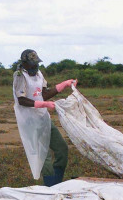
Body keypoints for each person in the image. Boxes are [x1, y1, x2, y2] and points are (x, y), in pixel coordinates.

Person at [12, 49, 76, 186]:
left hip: (43, 118)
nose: (35, 67)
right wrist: (43, 104)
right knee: (44, 155)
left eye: (36, 64)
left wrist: (63, 85)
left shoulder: (39, 74)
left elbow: (44, 94)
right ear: (24, 63)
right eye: (32, 64)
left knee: (62, 148)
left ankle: (56, 183)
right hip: (30, 121)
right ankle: (49, 187)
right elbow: (21, 100)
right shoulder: (19, 76)